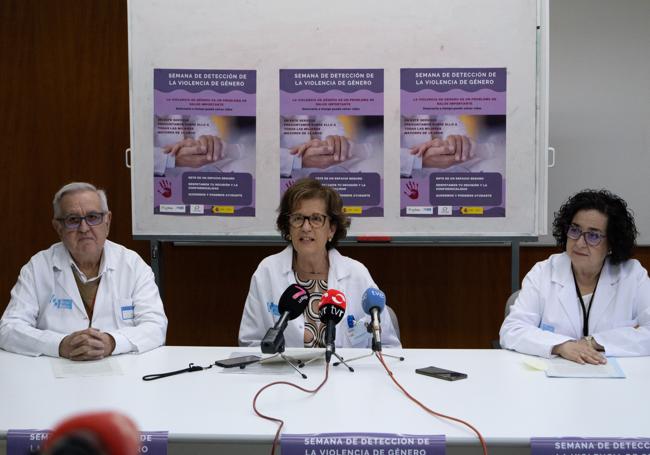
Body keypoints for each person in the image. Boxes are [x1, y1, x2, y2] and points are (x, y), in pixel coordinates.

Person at [0, 182, 168, 360]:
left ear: (107, 221)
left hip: (121, 373)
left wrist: (112, 342)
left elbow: (156, 326)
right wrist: (60, 344)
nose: (84, 228)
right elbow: (9, 329)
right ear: (58, 227)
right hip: (53, 374)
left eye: (93, 217)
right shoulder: (38, 267)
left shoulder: (132, 265)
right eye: (73, 219)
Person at [239, 178, 401, 348]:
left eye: (316, 219)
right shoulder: (268, 272)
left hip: (345, 373)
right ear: (288, 227)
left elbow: (389, 346)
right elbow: (249, 342)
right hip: (286, 373)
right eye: (298, 218)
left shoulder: (356, 274)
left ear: (331, 228)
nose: (306, 227)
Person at [500, 189, 650, 364]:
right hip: (551, 380)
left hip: (615, 377)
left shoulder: (632, 275)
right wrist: (561, 345)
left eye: (593, 236)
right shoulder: (544, 272)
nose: (579, 242)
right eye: (575, 230)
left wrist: (594, 342)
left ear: (612, 243)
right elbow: (512, 330)